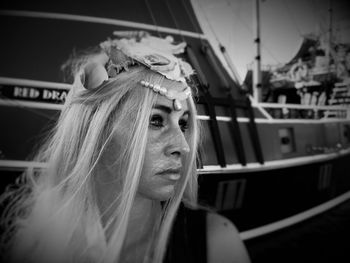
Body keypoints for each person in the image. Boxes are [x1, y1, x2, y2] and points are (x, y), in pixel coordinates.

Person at [0, 31, 251, 263]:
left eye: (183, 124)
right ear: (96, 130)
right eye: (155, 120)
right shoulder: (39, 242)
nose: (183, 147)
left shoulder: (217, 245)